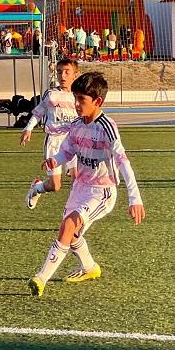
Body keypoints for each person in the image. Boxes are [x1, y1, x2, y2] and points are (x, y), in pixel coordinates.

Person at [27, 72, 145, 296]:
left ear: (97, 102)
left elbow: (123, 163)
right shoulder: (76, 125)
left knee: (69, 226)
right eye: (75, 99)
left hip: (102, 192)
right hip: (79, 188)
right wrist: (56, 159)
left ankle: (41, 278)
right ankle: (90, 267)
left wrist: (135, 198)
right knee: (70, 235)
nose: (77, 104)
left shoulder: (107, 127)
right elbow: (67, 151)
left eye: (82, 100)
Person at [21, 59, 79, 209]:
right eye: (59, 72)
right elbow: (38, 112)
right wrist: (28, 128)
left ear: (75, 75)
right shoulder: (52, 94)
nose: (62, 76)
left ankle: (74, 215)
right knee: (55, 185)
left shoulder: (79, 96)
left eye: (67, 72)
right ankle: (37, 188)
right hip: (54, 141)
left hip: (72, 142)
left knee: (77, 180)